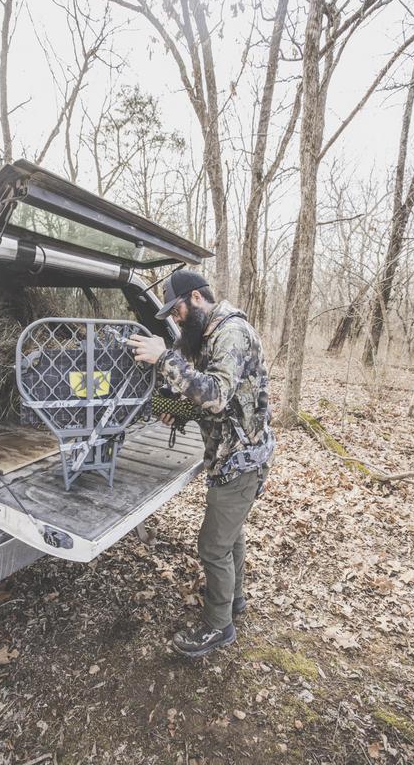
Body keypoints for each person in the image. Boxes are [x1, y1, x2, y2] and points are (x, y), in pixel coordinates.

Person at [128, 269, 275, 658]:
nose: (174, 319)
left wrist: (165, 359)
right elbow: (217, 402)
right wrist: (177, 412)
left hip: (242, 459)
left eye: (175, 310)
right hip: (232, 455)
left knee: (211, 547)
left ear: (195, 298)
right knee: (230, 537)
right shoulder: (209, 334)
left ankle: (218, 626)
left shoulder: (230, 333)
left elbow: (216, 396)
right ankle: (233, 600)